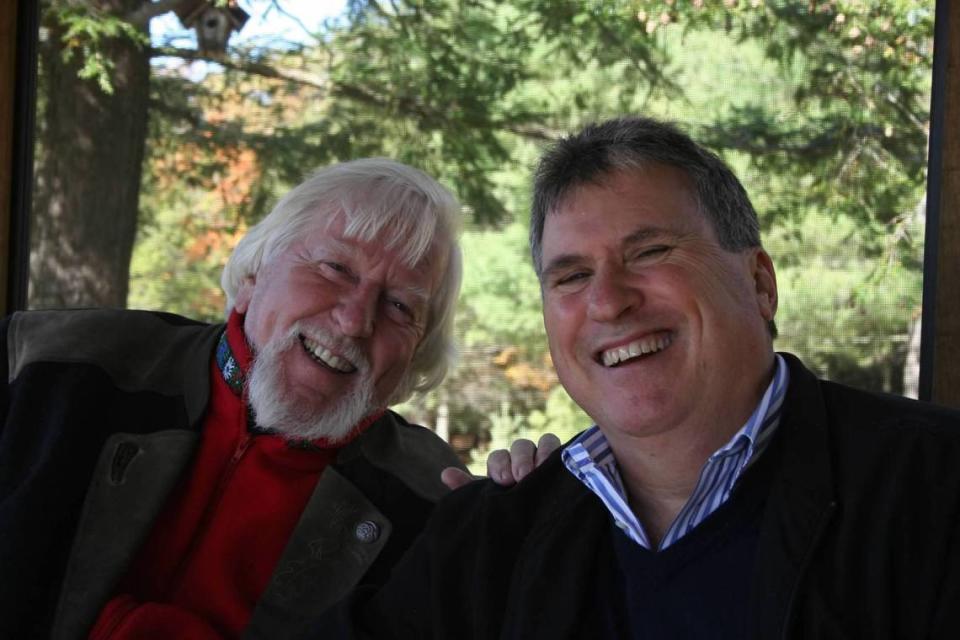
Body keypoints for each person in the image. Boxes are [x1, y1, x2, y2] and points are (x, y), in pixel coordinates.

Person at [331, 117, 960, 639]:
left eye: (650, 252)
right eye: (572, 276)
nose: (608, 302)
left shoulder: (935, 486)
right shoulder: (490, 538)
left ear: (760, 284)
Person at [0, 158, 555, 640]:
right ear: (255, 271)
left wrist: (537, 547)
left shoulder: (431, 502)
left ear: (414, 356)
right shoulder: (49, 368)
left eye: (399, 308)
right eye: (335, 268)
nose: (355, 320)